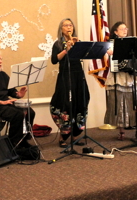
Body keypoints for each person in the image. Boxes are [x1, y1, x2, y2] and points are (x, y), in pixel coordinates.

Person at [104, 21, 137, 141]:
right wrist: (110, 54)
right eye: (121, 29)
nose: (125, 31)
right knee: (120, 106)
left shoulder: (133, 44)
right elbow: (108, 60)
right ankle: (121, 132)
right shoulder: (111, 44)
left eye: (126, 28)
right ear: (115, 32)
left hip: (129, 79)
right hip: (117, 79)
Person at [50, 18, 88, 148]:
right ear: (61, 29)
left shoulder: (77, 41)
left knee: (81, 100)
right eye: (65, 25)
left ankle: (76, 134)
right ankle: (63, 135)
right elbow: (54, 60)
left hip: (78, 74)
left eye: (70, 25)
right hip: (66, 75)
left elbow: (84, 55)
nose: (68, 27)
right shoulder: (58, 44)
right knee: (65, 103)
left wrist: (78, 46)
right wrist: (67, 48)